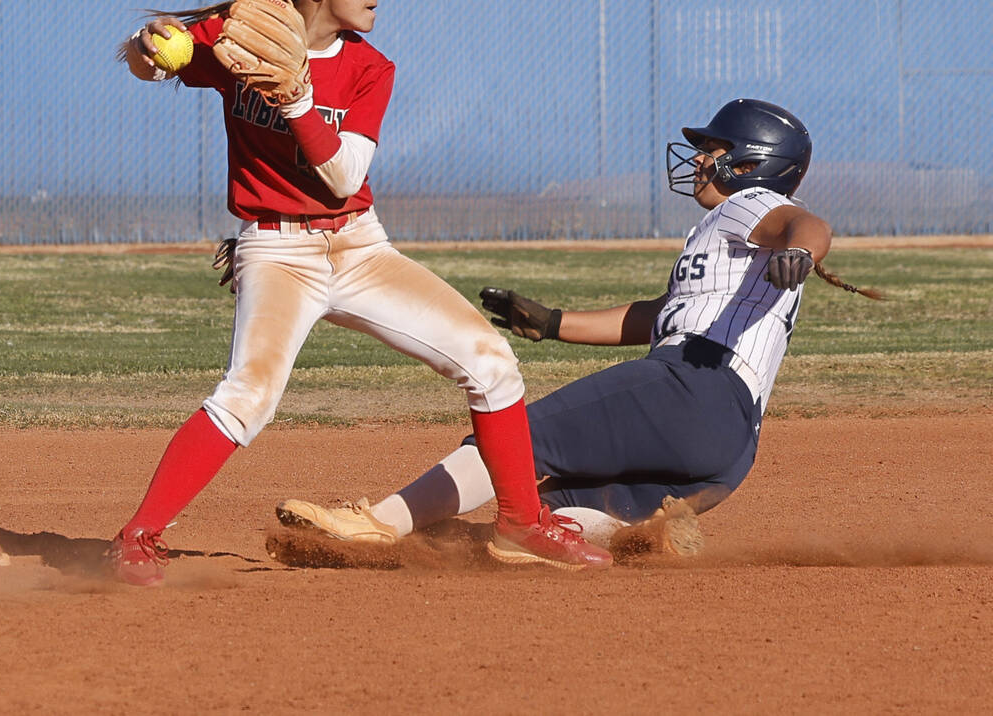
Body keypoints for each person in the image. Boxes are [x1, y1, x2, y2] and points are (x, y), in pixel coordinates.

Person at [109, 0, 609, 585]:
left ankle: (521, 522)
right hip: (276, 250)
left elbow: (344, 175)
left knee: (491, 362)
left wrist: (295, 99)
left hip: (358, 246)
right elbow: (150, 61)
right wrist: (150, 50)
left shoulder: (369, 67)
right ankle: (138, 536)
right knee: (249, 396)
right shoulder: (243, 36)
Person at [275, 98, 881, 557]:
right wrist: (556, 323)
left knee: (512, 435)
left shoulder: (747, 205)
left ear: (754, 164)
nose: (700, 158)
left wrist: (803, 251)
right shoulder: (727, 237)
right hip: (728, 446)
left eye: (715, 148)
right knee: (547, 507)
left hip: (691, 389)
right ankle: (520, 543)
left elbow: (807, 225)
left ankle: (378, 525)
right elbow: (658, 317)